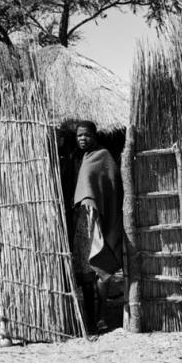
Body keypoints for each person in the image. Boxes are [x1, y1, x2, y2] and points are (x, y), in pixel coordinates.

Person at [71, 121, 123, 333]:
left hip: (98, 219)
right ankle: (90, 318)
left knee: (101, 267)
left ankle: (102, 316)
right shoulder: (81, 158)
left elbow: (112, 187)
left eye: (87, 135)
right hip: (83, 222)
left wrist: (100, 213)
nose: (82, 139)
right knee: (85, 272)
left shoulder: (103, 157)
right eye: (79, 136)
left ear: (95, 136)